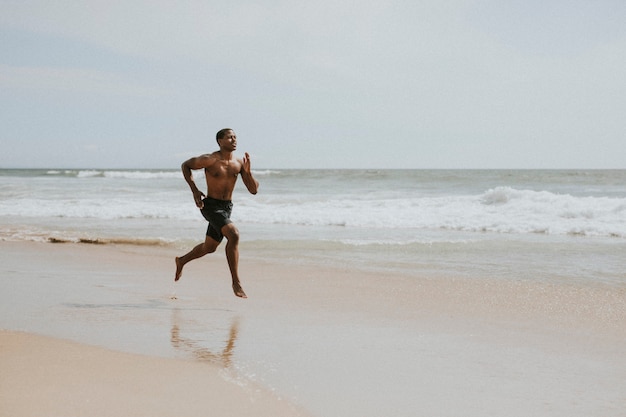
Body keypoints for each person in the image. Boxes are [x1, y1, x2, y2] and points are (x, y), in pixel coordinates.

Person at [174, 128, 259, 298]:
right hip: (210, 206)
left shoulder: (239, 163)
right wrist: (195, 190)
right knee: (233, 235)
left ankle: (181, 260)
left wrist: (248, 172)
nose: (234, 140)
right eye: (229, 137)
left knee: (210, 247)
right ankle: (236, 282)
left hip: (226, 207)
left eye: (235, 137)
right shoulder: (210, 159)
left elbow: (253, 190)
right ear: (220, 141)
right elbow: (186, 165)